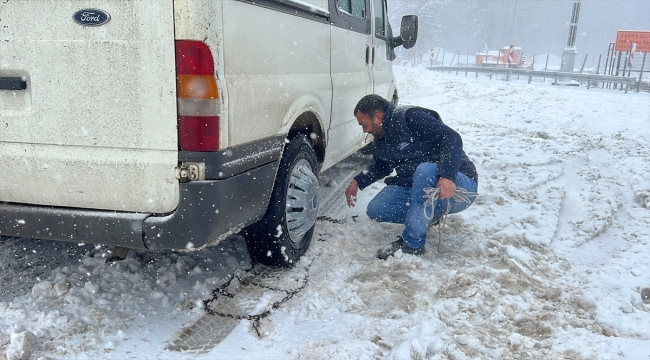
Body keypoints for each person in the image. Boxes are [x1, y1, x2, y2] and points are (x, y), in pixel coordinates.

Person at [345, 94, 478, 260]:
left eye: (364, 124)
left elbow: (451, 138)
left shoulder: (409, 117)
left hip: (459, 185)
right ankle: (426, 217)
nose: (364, 130)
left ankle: (412, 244)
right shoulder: (382, 139)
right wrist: (357, 181)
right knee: (377, 209)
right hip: (424, 191)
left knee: (424, 171)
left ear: (378, 117)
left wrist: (447, 176)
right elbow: (381, 166)